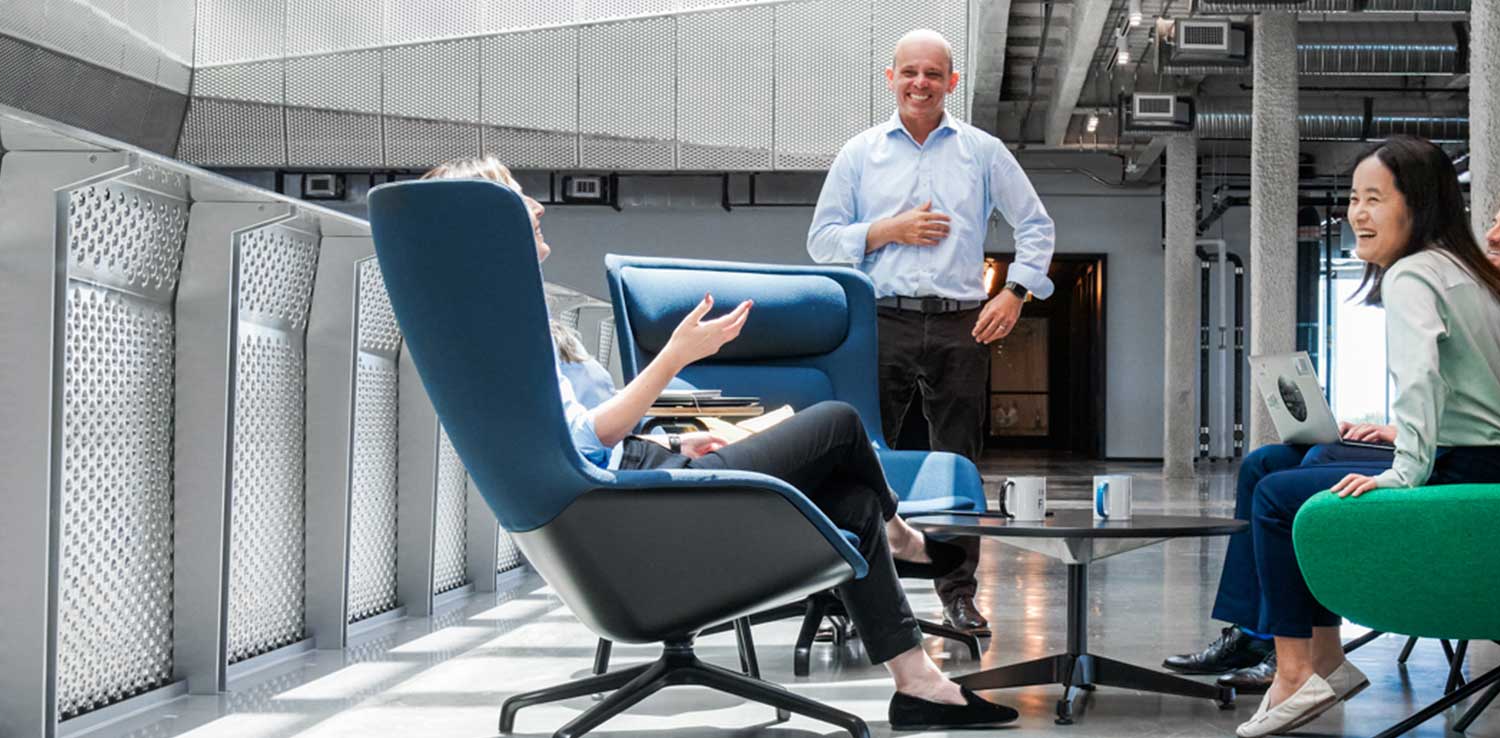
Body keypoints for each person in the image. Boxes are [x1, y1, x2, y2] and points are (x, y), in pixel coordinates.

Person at [428, 156, 1019, 730]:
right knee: (839, 424)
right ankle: (903, 538)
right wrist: (675, 357)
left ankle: (917, 684)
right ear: (487, 229)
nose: (537, 207)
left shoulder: (502, 322)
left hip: (641, 481)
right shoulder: (509, 332)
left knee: (855, 504)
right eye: (518, 199)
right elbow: (589, 438)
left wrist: (674, 440)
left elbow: (584, 440)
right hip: (634, 509)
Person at [1165, 180, 1500, 692]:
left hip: (1469, 472)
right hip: (1441, 448)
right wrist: (1392, 430)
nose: (1492, 235)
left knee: (1298, 477)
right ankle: (1254, 632)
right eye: (1495, 222)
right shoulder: (1494, 305)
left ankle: (1296, 651)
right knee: (1265, 462)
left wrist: (1405, 438)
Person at [1219, 136, 1500, 737]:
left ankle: (1294, 673)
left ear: (1417, 205)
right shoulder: (1456, 268)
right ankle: (1326, 659)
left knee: (1277, 497)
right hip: (1483, 460)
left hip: (1470, 471)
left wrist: (1403, 473)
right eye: (1353, 198)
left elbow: (1421, 378)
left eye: (1374, 199)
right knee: (1271, 463)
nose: (1356, 214)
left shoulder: (1414, 273)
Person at [803, 28, 1052, 637]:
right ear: (891, 78)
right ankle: (851, 593)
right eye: (910, 72)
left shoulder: (983, 151)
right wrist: (885, 231)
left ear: (952, 82)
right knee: (861, 457)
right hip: (878, 319)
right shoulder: (859, 153)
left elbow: (1036, 226)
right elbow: (821, 241)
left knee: (959, 462)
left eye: (933, 74)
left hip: (961, 322)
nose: (921, 83)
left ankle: (957, 595)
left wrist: (1015, 293)